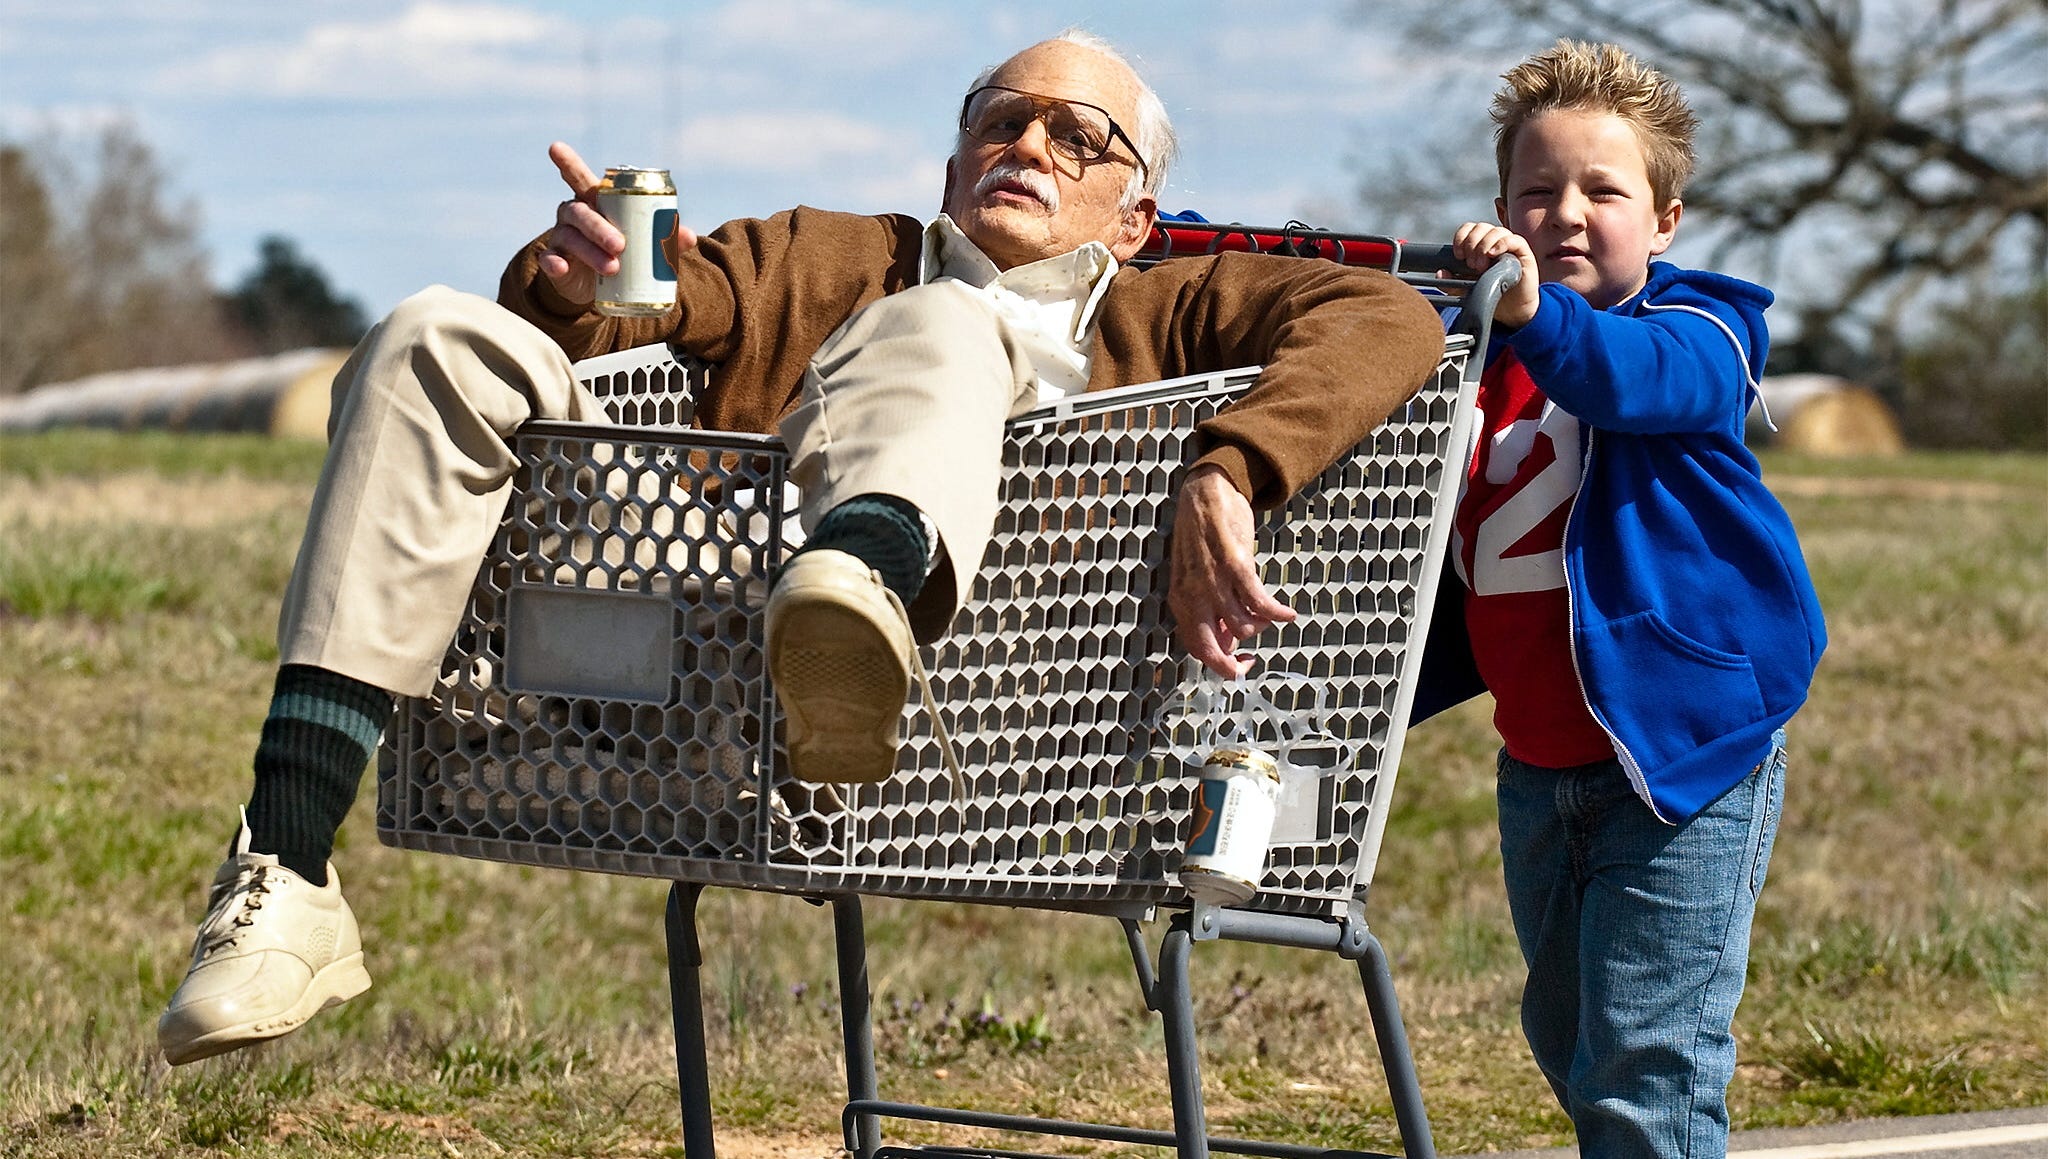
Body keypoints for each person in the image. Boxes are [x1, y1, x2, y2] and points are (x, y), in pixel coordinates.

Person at [155, 30, 1446, 1066]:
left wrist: (1232, 464)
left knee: (947, 324)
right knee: (434, 331)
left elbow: (1388, 319)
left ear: (1132, 214)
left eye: (1076, 134)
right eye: (998, 120)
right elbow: (655, 311)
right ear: (949, 170)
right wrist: (574, 278)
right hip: (694, 648)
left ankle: (865, 577)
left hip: (973, 718)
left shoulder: (1180, 303)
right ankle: (288, 856)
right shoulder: (836, 255)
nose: (1027, 143)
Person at [1425, 40, 1826, 1159]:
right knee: (1566, 1037)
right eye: (1535, 191)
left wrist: (1527, 320)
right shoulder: (1471, 361)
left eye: (1602, 191)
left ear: (1662, 222)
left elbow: (1628, 380)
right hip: (1537, 766)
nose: (1565, 214)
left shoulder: (1705, 329)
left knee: (1644, 1065)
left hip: (1682, 757)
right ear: (1497, 211)